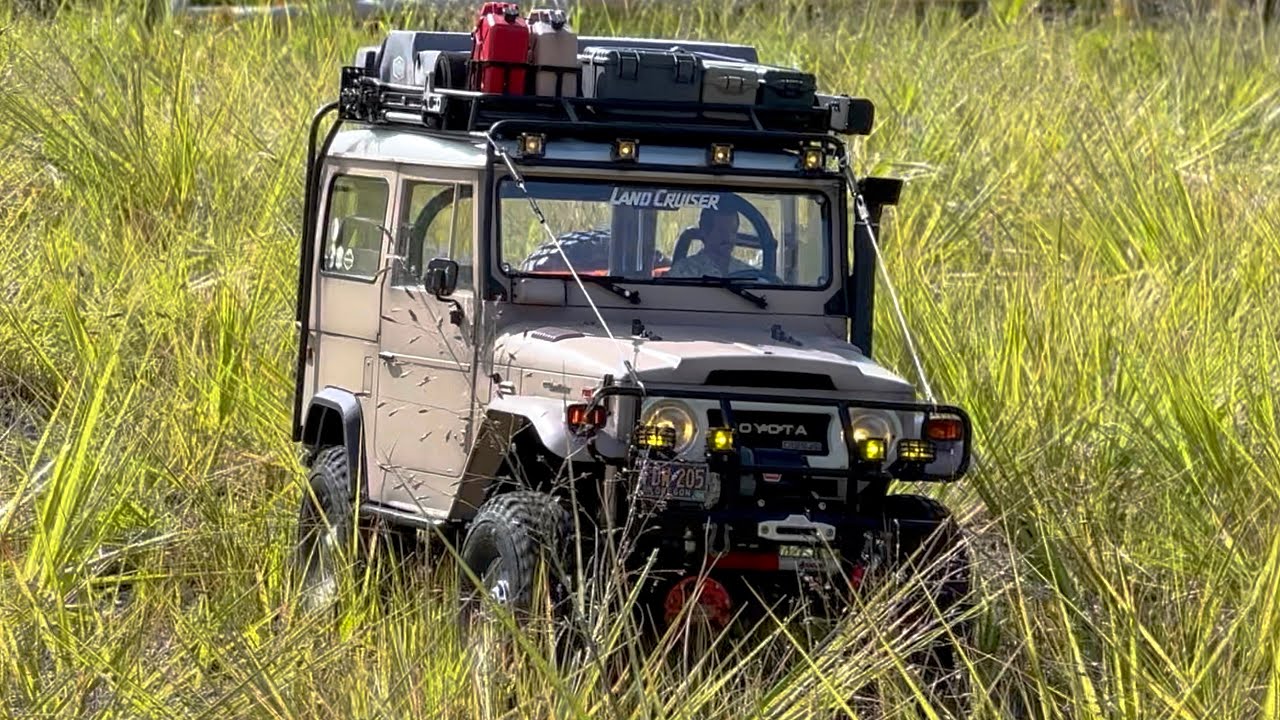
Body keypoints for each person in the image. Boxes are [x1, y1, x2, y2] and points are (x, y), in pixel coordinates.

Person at [666, 207, 756, 278]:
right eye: (722, 231)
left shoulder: (748, 273)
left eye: (733, 231)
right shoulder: (683, 272)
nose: (729, 238)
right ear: (705, 232)